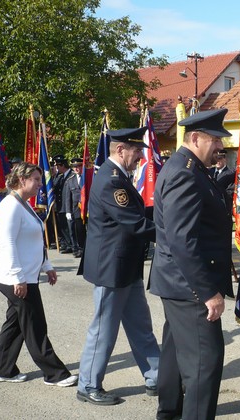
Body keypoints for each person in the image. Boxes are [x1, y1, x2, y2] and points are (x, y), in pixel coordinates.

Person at [149, 108, 234, 420]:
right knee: (205, 363)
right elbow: (182, 240)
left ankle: (169, 413)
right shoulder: (185, 173)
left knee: (173, 353)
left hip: (177, 283)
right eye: (215, 140)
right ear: (195, 138)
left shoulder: (189, 168)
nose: (219, 147)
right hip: (190, 287)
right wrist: (208, 292)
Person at [76, 126, 160, 405]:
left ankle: (156, 376)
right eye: (137, 151)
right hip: (112, 268)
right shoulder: (111, 179)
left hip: (126, 266)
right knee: (104, 329)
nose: (140, 156)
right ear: (120, 149)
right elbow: (133, 223)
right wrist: (172, 235)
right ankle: (88, 385)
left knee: (140, 325)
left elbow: (137, 215)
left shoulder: (120, 176)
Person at [0, 162, 78, 387]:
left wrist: (46, 265)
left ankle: (2, 370)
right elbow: (7, 244)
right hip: (16, 279)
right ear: (22, 180)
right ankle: (56, 374)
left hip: (26, 276)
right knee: (35, 326)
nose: (40, 184)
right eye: (36, 180)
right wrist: (18, 277)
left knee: (16, 325)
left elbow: (35, 239)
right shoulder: (10, 206)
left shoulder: (24, 205)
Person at [63, 157, 86, 258]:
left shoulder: (87, 178)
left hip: (87, 208)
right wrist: (68, 211)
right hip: (77, 209)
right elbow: (68, 197)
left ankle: (88, 248)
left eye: (78, 166)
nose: (76, 169)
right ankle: (80, 248)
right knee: (79, 230)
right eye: (74, 167)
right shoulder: (70, 180)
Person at [52, 155, 73, 253]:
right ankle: (67, 243)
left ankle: (73, 245)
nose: (57, 168)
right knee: (63, 226)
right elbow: (55, 188)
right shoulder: (60, 176)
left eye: (58, 166)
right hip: (60, 206)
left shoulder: (71, 175)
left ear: (62, 165)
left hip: (69, 205)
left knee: (69, 227)